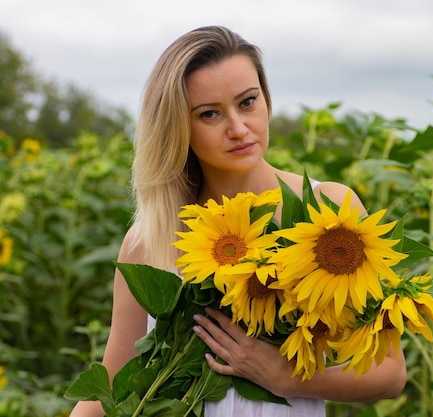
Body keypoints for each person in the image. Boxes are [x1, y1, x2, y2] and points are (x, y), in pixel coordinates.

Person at [69, 26, 406, 417]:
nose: (238, 128)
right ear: (178, 127)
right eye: (209, 113)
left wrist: (285, 378)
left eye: (247, 102)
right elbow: (110, 388)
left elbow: (390, 373)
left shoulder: (330, 210)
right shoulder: (151, 237)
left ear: (265, 97)